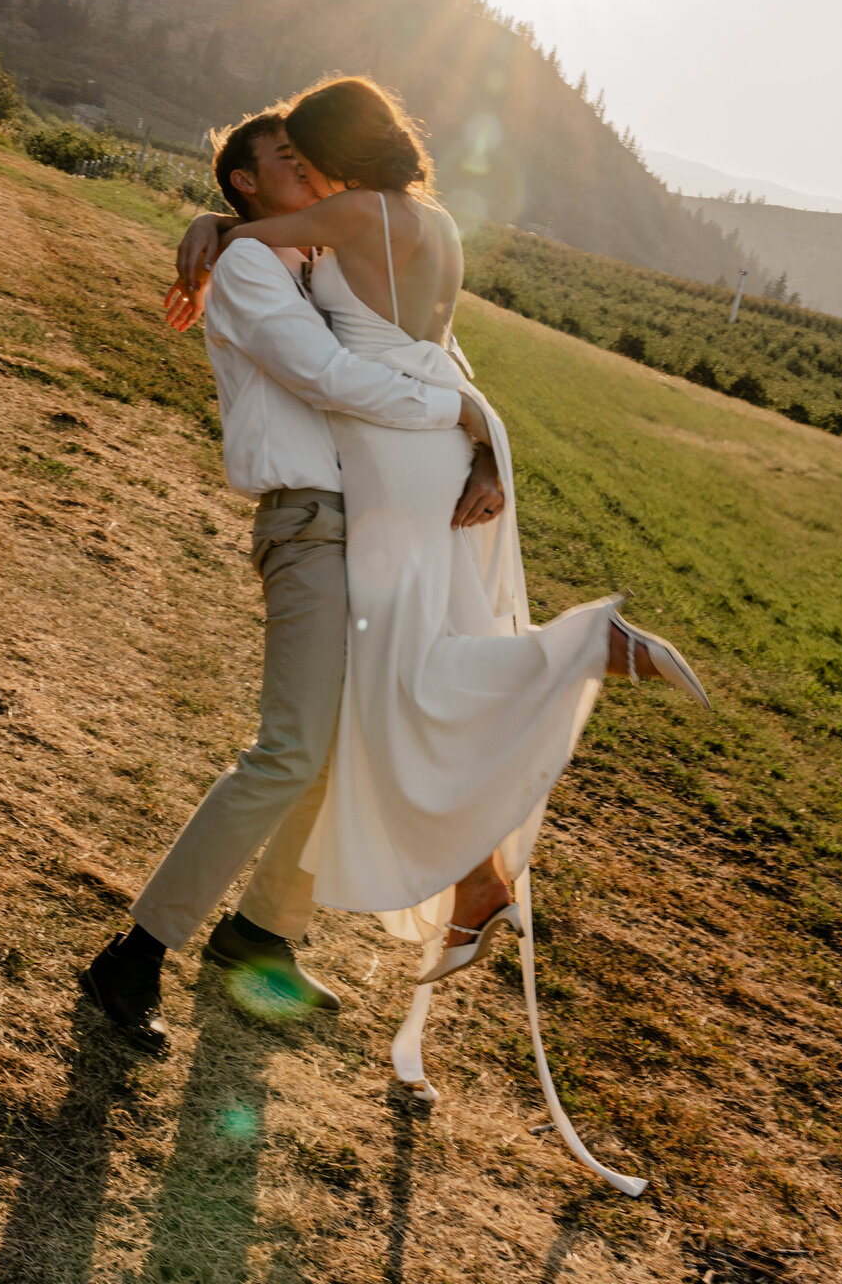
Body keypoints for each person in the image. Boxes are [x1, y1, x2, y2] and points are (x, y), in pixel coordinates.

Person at [206, 77, 708, 1004]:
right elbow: (436, 347)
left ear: (335, 157)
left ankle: (579, 648)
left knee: (408, 672)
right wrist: (478, 442)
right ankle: (472, 883)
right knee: (415, 662)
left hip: (394, 458)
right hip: (441, 445)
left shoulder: (350, 214)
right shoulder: (436, 223)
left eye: (306, 156)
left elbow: (239, 246)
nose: (304, 174)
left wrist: (214, 225)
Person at [80, 110, 503, 1053]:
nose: (308, 176)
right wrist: (458, 411)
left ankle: (260, 935)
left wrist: (483, 450)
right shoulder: (249, 267)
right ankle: (135, 953)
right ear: (243, 185)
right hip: (311, 520)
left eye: (311, 160)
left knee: (346, 745)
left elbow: (421, 348)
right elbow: (325, 376)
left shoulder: (323, 254)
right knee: (289, 749)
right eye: (282, 164)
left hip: (387, 522)